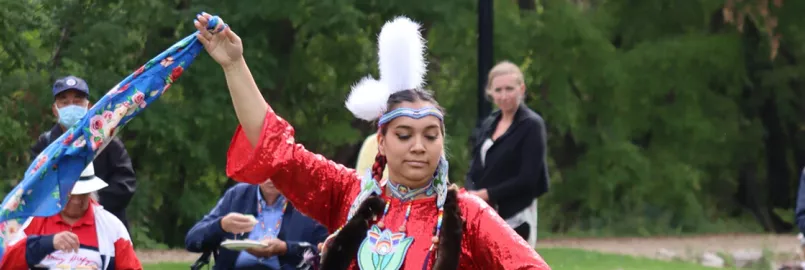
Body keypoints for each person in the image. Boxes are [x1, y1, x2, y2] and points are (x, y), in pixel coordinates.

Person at [194, 12, 550, 270]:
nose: (418, 146)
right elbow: (276, 149)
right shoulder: (350, 194)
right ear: (381, 141)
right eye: (404, 135)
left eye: (430, 135)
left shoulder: (466, 215)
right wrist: (234, 66)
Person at [30, 75, 136, 229]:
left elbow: (125, 184)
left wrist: (88, 204)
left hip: (104, 226)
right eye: (64, 102)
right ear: (55, 109)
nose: (71, 106)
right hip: (55, 229)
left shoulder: (108, 142)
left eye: (77, 101)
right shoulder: (45, 145)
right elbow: (35, 186)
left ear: (89, 106)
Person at [465, 61, 550, 247]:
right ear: (490, 92)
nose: (504, 95)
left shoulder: (532, 125)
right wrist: (470, 193)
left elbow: (528, 178)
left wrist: (487, 194)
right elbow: (475, 167)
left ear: (521, 89)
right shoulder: (489, 123)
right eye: (498, 90)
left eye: (509, 89)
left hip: (517, 214)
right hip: (484, 213)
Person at [0, 163, 142, 269]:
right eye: (70, 194)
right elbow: (5, 263)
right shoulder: (33, 221)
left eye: (83, 194)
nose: (76, 201)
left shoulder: (112, 227)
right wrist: (46, 243)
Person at [185, 179, 329, 270]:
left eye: (277, 170)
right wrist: (221, 225)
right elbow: (192, 241)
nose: (271, 177)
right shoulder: (237, 196)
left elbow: (325, 256)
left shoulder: (307, 202)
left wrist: (285, 249)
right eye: (265, 169)